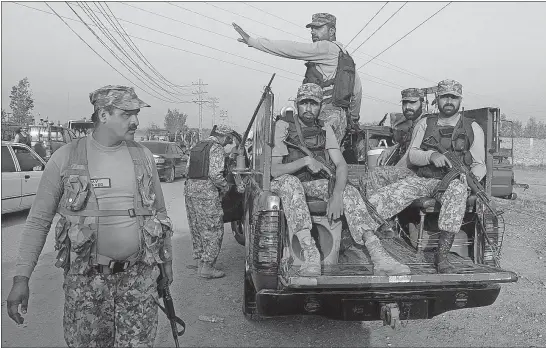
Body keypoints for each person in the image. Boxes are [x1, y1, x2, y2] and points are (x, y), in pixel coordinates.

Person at [6, 85, 174, 347]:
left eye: (137, 113)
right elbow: (38, 222)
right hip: (87, 284)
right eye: (127, 113)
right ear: (103, 114)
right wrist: (21, 279)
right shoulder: (65, 158)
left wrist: (166, 264)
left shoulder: (142, 156)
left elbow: (159, 214)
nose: (135, 121)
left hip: (138, 281)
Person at [270, 82, 410, 276]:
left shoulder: (324, 129)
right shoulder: (284, 126)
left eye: (314, 103)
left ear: (320, 106)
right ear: (297, 105)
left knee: (349, 191)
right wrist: (305, 160)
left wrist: (337, 194)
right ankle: (310, 254)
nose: (309, 108)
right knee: (290, 183)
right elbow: (275, 170)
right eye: (304, 103)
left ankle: (378, 255)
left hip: (314, 183)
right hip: (288, 182)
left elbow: (341, 165)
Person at [361, 79, 486, 273]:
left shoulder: (472, 128)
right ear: (437, 99)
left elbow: (479, 164)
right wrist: (431, 155)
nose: (449, 101)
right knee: (380, 199)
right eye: (445, 97)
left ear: (460, 100)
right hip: (422, 180)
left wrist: (469, 178)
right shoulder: (425, 123)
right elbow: (413, 155)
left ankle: (442, 257)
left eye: (453, 97)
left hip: (451, 183)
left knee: (458, 190)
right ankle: (379, 236)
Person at [233, 13, 363, 144]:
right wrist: (353, 119)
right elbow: (357, 91)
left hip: (325, 117)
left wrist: (253, 42)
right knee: (330, 158)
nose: (312, 32)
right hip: (338, 118)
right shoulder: (346, 56)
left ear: (332, 31)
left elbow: (293, 49)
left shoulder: (326, 47)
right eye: (311, 28)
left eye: (318, 28)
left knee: (308, 153)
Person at [185, 125, 235, 279]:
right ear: (224, 136)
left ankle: (201, 261)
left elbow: (187, 170)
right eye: (228, 139)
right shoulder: (217, 148)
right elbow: (215, 174)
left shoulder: (198, 145)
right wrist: (226, 187)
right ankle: (208, 266)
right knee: (214, 229)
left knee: (198, 227)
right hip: (206, 193)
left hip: (190, 191)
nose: (228, 142)